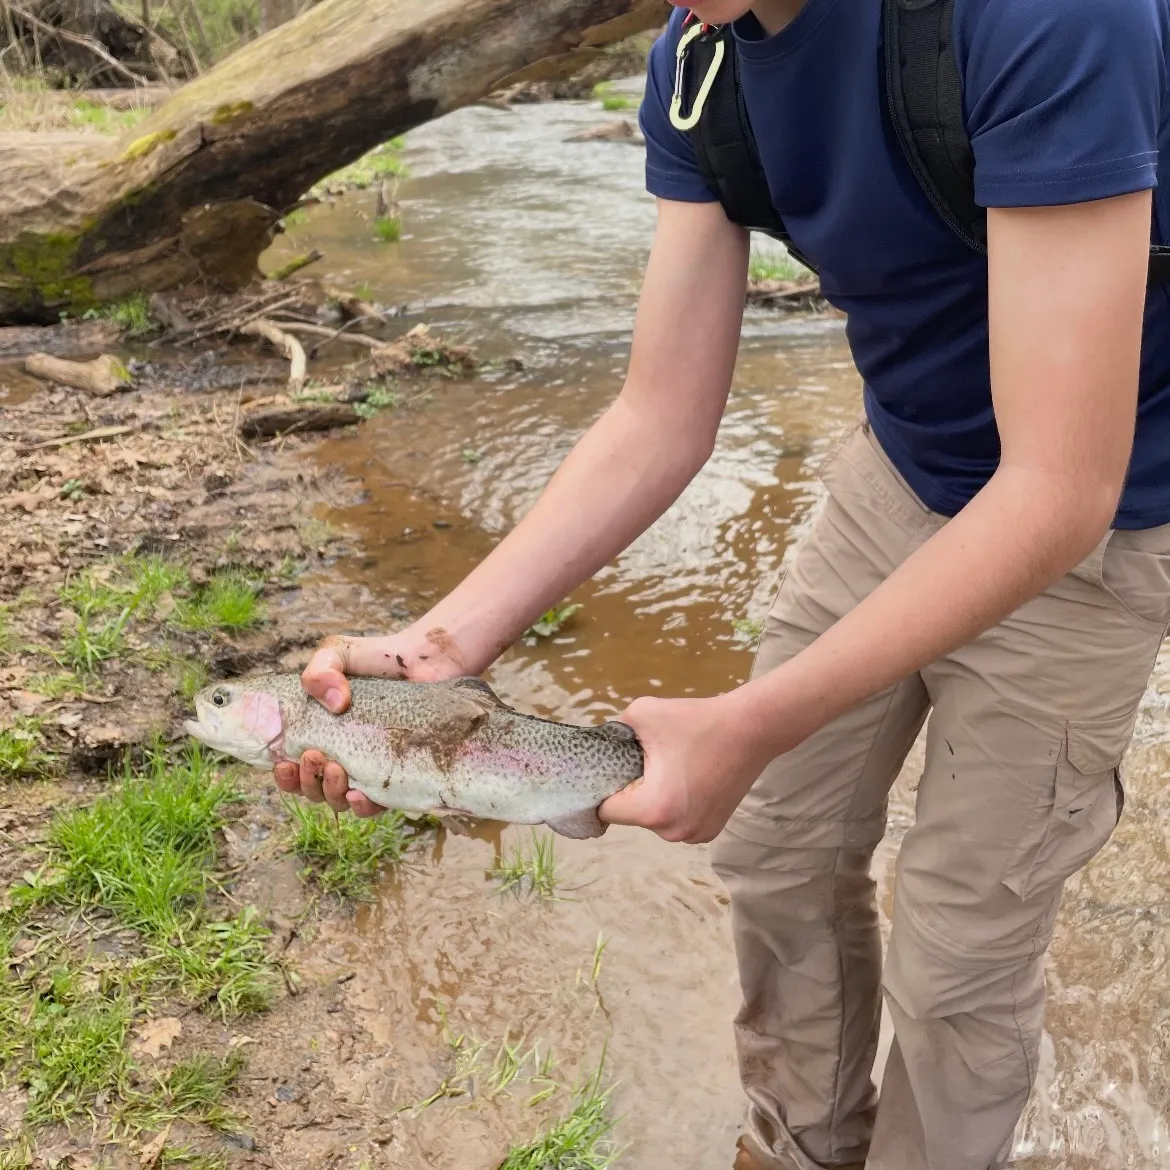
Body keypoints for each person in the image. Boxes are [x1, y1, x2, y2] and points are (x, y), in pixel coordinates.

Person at [272, 0, 1170, 1166]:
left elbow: (1058, 489)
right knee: (776, 849)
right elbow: (657, 417)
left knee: (959, 955)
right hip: (897, 476)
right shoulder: (698, 59)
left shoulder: (1050, 19)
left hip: (1101, 528)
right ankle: (797, 1144)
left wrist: (750, 718)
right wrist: (446, 648)